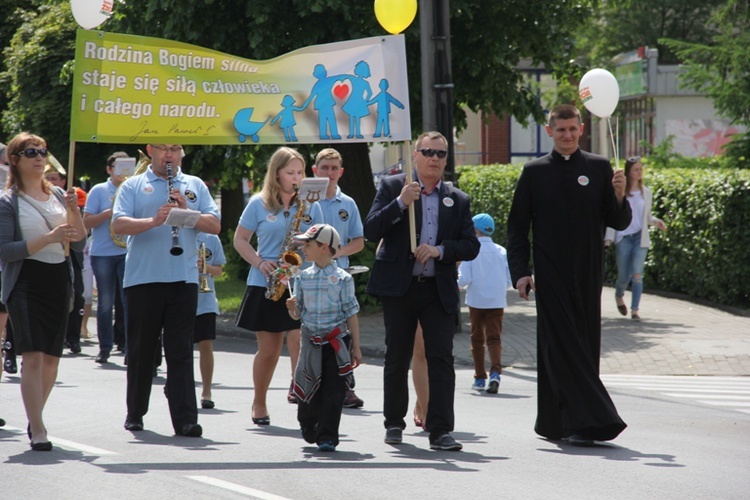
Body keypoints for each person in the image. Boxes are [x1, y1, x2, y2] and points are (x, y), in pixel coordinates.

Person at [506, 104, 632, 446]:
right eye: (560, 130)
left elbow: (618, 221)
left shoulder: (599, 167)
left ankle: (565, 423)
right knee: (560, 344)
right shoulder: (534, 172)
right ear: (549, 131)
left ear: (582, 129)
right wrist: (520, 273)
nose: (567, 135)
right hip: (550, 272)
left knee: (584, 344)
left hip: (589, 273)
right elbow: (517, 227)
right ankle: (594, 421)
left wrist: (620, 195)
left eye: (573, 129)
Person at [365, 131, 480, 451]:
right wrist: (401, 203)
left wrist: (440, 250)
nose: (434, 158)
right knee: (396, 356)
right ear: (414, 155)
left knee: (441, 359)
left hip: (437, 288)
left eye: (441, 154)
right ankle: (393, 423)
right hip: (400, 288)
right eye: (428, 151)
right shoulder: (393, 187)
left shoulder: (457, 199)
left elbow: (470, 246)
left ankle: (441, 429)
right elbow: (371, 228)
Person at [111, 143, 220, 437]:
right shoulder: (134, 185)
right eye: (163, 149)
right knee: (141, 349)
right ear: (151, 150)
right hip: (143, 279)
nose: (169, 155)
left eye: (175, 149)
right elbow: (118, 224)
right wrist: (154, 221)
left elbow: (215, 225)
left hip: (183, 279)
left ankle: (185, 418)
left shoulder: (194, 185)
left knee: (181, 350)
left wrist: (188, 212)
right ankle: (135, 412)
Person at [0, 132, 87, 450]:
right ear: (15, 160)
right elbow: (6, 251)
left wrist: (74, 211)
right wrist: (49, 237)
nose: (40, 157)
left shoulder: (59, 195)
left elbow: (79, 242)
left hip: (58, 279)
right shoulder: (8, 201)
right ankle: (38, 427)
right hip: (25, 281)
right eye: (31, 152)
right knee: (33, 356)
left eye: (43, 151)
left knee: (52, 358)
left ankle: (34, 414)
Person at [233, 147, 323, 426]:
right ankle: (259, 402)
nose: (296, 178)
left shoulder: (311, 205)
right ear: (276, 175)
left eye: (300, 172)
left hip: (301, 281)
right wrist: (260, 263)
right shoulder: (259, 204)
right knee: (270, 350)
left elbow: (321, 242)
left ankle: (306, 405)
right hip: (268, 281)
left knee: (305, 346)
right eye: (290, 173)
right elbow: (240, 240)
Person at [286, 224, 361, 451]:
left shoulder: (343, 279)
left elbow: (351, 313)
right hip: (310, 341)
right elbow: (298, 313)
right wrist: (291, 309)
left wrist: (356, 347)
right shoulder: (303, 277)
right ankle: (308, 422)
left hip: (336, 341)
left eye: (308, 245)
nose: (303, 249)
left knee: (334, 391)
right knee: (309, 384)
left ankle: (328, 436)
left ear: (324, 247)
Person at [312, 147, 366, 409]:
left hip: (339, 276)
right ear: (315, 171)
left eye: (334, 168)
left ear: (341, 172)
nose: (329, 173)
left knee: (341, 333)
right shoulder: (307, 201)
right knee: (311, 331)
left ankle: (346, 387)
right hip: (311, 277)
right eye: (324, 168)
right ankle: (306, 383)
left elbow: (359, 241)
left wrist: (338, 252)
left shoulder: (349, 203)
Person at [605, 156, 667, 321]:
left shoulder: (646, 192)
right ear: (629, 172)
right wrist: (608, 238)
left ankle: (635, 310)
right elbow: (613, 215)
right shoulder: (620, 191)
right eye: (636, 169)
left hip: (640, 238)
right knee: (624, 276)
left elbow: (647, 217)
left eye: (641, 169)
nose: (639, 172)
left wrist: (655, 221)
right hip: (623, 237)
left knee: (637, 274)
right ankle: (619, 295)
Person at [83, 151, 130, 364]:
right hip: (103, 253)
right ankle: (105, 348)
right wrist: (109, 213)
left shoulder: (132, 188)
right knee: (105, 303)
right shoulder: (99, 190)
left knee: (129, 302)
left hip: (126, 251)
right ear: (109, 170)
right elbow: (86, 222)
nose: (123, 172)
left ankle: (130, 347)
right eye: (119, 167)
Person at [457, 213, 512, 394]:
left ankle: (480, 377)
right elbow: (509, 280)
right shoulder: (501, 251)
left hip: (476, 300)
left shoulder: (470, 250)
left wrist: (454, 285)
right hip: (496, 301)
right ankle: (496, 373)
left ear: (475, 230)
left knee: (477, 338)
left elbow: (464, 279)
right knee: (494, 338)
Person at [45, 165, 86, 356]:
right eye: (49, 178)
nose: (52, 182)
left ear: (63, 181)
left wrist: (75, 211)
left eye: (55, 178)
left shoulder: (63, 195)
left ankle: (72, 337)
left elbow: (79, 241)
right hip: (30, 267)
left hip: (66, 258)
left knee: (76, 298)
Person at [194, 231, 226, 409]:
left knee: (205, 344)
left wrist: (204, 266)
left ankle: (207, 391)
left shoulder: (211, 239)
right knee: (179, 346)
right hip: (182, 297)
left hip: (205, 299)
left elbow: (220, 271)